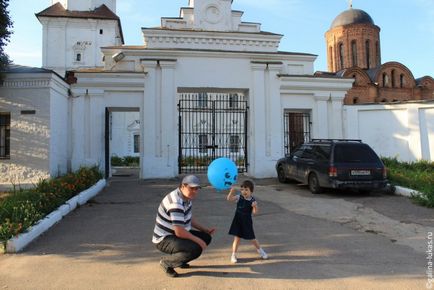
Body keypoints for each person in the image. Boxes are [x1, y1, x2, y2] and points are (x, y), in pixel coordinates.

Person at [152, 175, 216, 277]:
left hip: (175, 233)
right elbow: (179, 232)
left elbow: (188, 218)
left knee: (206, 237)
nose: (195, 191)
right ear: (183, 186)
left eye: (197, 189)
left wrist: (204, 230)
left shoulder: (186, 197)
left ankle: (180, 260)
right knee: (195, 248)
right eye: (192, 188)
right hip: (164, 239)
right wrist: (198, 241)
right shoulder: (176, 202)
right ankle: (167, 262)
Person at [227, 180, 268, 263]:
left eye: (246, 190)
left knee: (252, 238)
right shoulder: (239, 197)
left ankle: (260, 251)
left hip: (247, 222)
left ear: (251, 191)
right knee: (237, 238)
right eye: (242, 189)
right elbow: (229, 199)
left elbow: (255, 212)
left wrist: (255, 207)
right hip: (238, 221)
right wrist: (231, 192)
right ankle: (233, 254)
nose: (244, 192)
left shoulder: (252, 201)